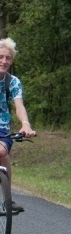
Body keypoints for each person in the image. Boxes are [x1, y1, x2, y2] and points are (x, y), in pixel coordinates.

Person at [0, 37, 36, 214]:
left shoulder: (12, 82)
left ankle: (7, 198)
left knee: (1, 152)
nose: (4, 61)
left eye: (7, 58)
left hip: (2, 130)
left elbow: (19, 106)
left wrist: (25, 124)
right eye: (0, 57)